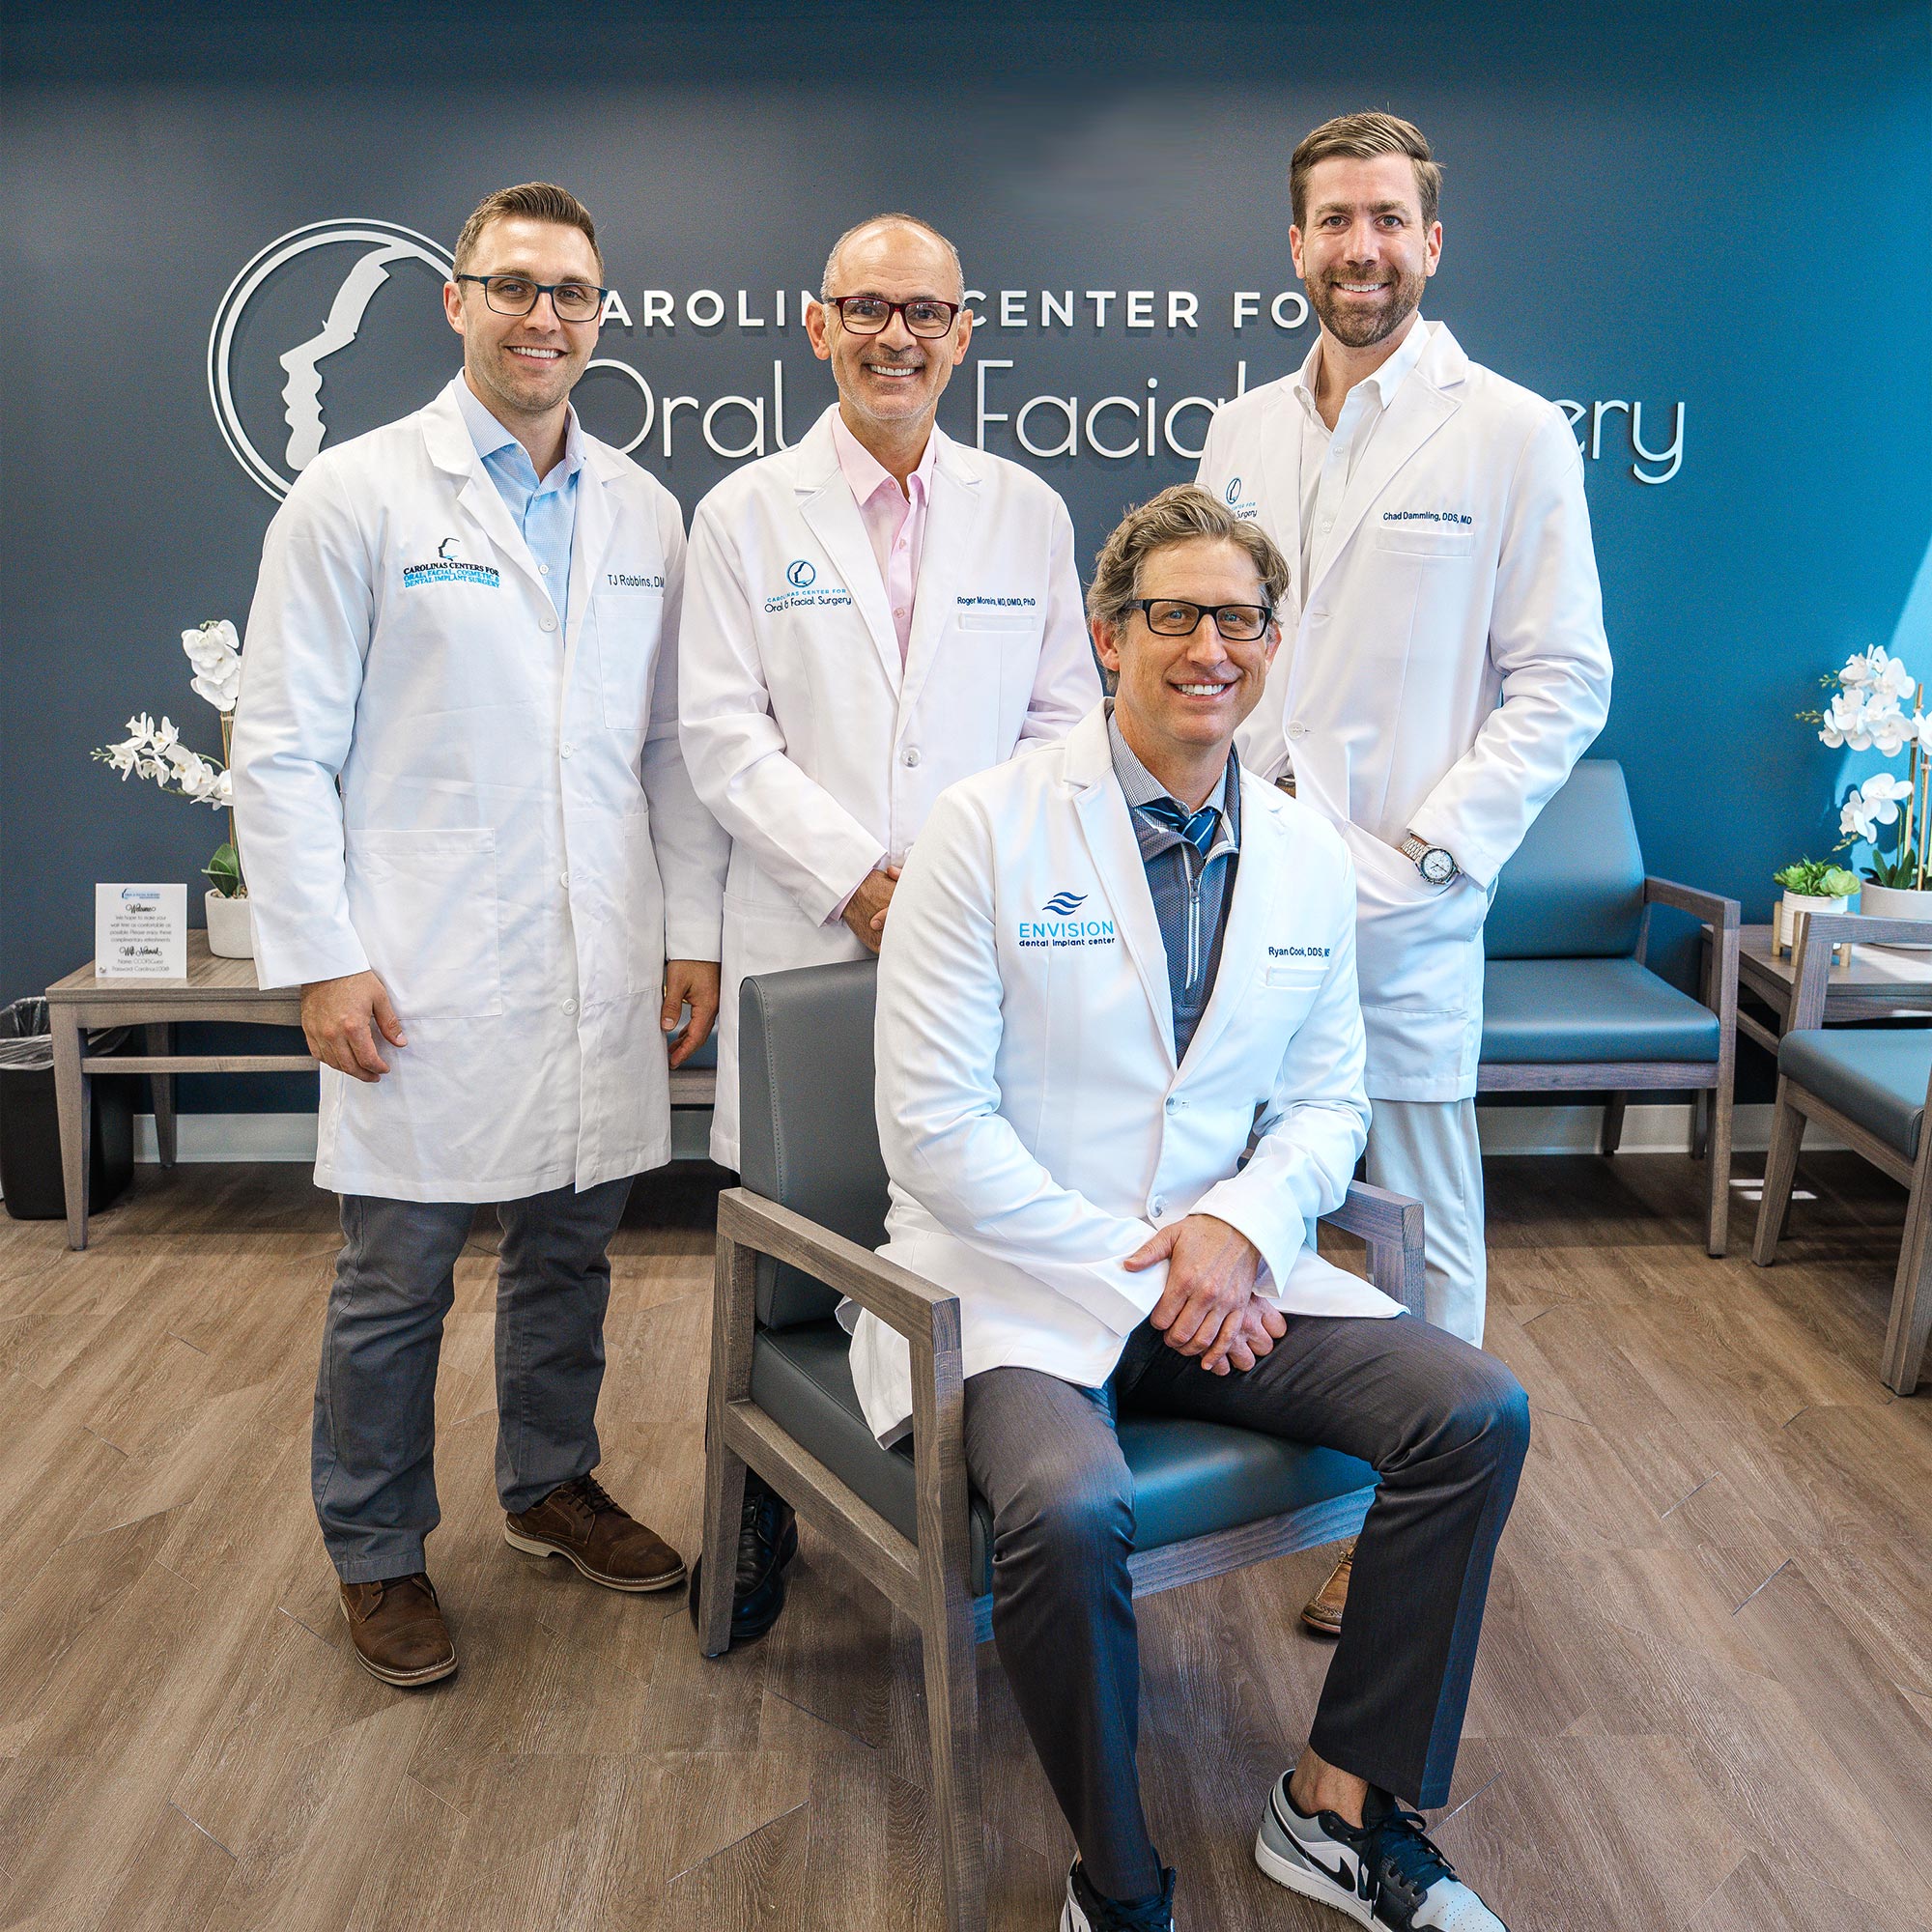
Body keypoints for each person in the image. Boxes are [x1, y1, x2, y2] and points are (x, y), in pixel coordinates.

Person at [863, 486, 1527, 1932]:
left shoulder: (1301, 852)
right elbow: (929, 1126)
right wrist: (1164, 1271)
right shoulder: (979, 829)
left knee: (1475, 1409)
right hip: (1019, 1284)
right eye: (1172, 615)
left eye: (1237, 618)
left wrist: (1239, 1233)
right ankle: (1117, 1878)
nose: (1206, 646)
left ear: (1272, 645)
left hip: (1230, 1273)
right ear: (1108, 637)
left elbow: (1327, 1105)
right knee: (1069, 1504)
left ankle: (1339, 1807)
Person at [232, 183, 729, 1688]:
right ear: (457, 304)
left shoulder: (647, 512)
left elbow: (669, 752)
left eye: (571, 291)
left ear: (599, 314)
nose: (543, 316)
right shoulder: (359, 497)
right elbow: (279, 745)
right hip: (422, 968)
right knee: (396, 1281)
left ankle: (546, 1484)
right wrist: (321, 955)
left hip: (601, 961)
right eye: (513, 286)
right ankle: (377, 1550)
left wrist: (691, 933)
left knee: (572, 1253)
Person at [1197, 111, 1610, 1638]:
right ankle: (1286, 1453)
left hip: (1406, 885)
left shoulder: (1507, 431)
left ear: (1431, 244)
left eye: (1389, 220)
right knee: (1256, 1166)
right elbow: (1221, 639)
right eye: (1333, 220)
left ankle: (1417, 1508)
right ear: (1294, 245)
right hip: (1247, 875)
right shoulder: (1242, 431)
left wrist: (1434, 849)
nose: (1360, 247)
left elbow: (1564, 677)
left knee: (1425, 1206)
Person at [678, 212, 1099, 1641]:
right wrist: (864, 879)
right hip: (810, 928)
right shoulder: (743, 514)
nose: (895, 337)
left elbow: (1065, 723)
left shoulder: (1026, 511)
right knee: (794, 1230)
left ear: (962, 335)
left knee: (961, 1202)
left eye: (924, 313)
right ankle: (756, 1512)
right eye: (865, 309)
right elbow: (723, 739)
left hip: (980, 935)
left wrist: (957, 881)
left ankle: (977, 1486)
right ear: (818, 325)